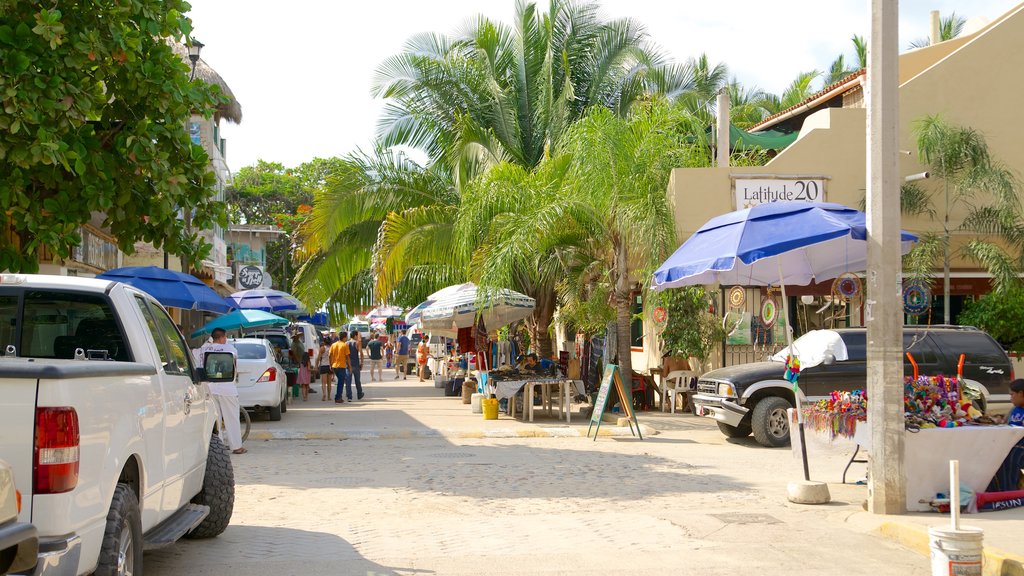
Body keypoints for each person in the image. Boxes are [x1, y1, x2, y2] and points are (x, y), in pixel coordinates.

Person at [194, 328, 246, 454]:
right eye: (225, 337)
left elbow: (196, 354)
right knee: (232, 418)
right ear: (222, 337)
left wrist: (209, 343)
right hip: (227, 388)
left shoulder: (204, 349)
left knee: (215, 419)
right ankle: (236, 446)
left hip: (209, 388)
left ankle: (219, 447)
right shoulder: (231, 349)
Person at [988, 379, 1024, 492]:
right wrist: (999, 421)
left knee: (1010, 456)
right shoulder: (1014, 409)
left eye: (1012, 394)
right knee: (993, 453)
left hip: (1020, 445)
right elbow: (1007, 424)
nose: (1010, 398)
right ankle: (996, 488)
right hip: (1012, 443)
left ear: (1021, 393)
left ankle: (1009, 490)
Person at [329, 333, 350, 404]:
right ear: (344, 338)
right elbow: (347, 357)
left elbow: (330, 355)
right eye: (346, 337)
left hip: (334, 366)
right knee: (341, 382)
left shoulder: (333, 345)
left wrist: (330, 364)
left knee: (340, 381)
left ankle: (339, 396)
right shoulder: (345, 345)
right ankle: (338, 397)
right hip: (341, 366)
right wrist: (350, 367)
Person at [346, 330, 365, 400]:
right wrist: (362, 363)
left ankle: (349, 396)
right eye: (357, 335)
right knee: (357, 380)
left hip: (348, 365)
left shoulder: (346, 343)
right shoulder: (357, 343)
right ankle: (359, 394)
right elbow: (361, 353)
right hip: (356, 364)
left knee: (348, 381)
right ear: (355, 336)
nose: (358, 337)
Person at [292, 332, 311, 401]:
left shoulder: (299, 342)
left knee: (306, 383)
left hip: (304, 360)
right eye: (298, 336)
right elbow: (294, 353)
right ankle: (304, 397)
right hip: (301, 362)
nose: (299, 336)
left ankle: (306, 396)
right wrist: (298, 361)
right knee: (304, 383)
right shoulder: (294, 344)